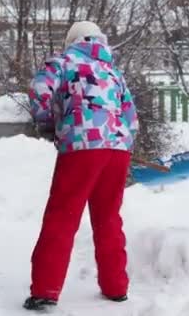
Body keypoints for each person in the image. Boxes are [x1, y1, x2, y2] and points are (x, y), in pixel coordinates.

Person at [23, 21, 138, 311]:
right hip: (117, 149)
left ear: (72, 41)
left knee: (63, 214)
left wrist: (47, 124)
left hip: (82, 146)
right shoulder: (114, 73)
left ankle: (45, 292)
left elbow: (39, 90)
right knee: (108, 217)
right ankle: (116, 288)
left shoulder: (64, 62)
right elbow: (132, 118)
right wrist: (119, 141)